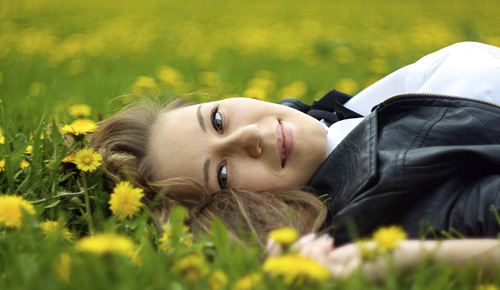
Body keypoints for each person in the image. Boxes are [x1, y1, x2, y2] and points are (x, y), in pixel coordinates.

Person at [91, 41, 500, 278]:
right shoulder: (392, 190)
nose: (249, 135)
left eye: (217, 119)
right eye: (223, 171)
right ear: (244, 208)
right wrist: (397, 260)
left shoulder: (339, 124)